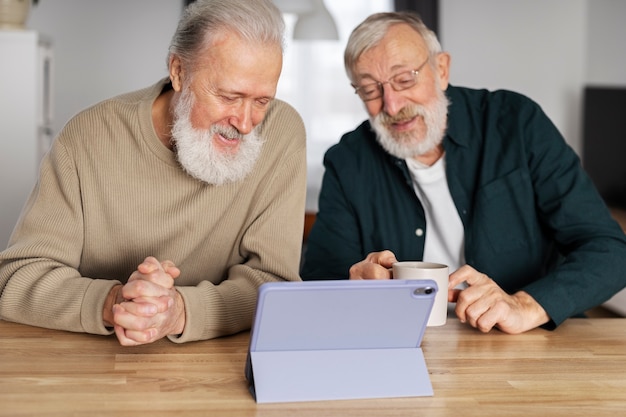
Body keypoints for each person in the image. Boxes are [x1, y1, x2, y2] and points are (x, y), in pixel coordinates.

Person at [0, 0, 306, 346]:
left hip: (218, 367)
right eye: (228, 96)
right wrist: (116, 302)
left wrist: (179, 311)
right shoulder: (88, 136)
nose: (246, 123)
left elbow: (274, 286)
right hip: (88, 365)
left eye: (262, 101)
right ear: (178, 71)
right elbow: (16, 279)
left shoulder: (282, 134)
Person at [301, 11, 626, 334]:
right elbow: (319, 279)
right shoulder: (347, 161)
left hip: (524, 344)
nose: (392, 105)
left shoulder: (517, 124)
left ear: (441, 69)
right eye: (370, 90)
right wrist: (350, 283)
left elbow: (609, 251)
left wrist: (525, 305)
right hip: (400, 341)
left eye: (404, 79)